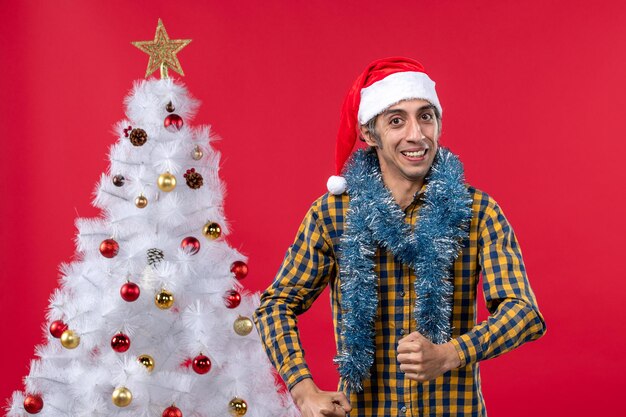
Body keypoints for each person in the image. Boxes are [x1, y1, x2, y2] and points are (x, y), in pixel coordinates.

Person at [253, 57, 546, 417]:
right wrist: (302, 390)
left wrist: (451, 354)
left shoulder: (478, 211)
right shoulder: (332, 214)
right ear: (368, 133)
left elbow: (524, 312)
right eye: (396, 120)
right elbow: (276, 305)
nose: (416, 134)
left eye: (426, 116)